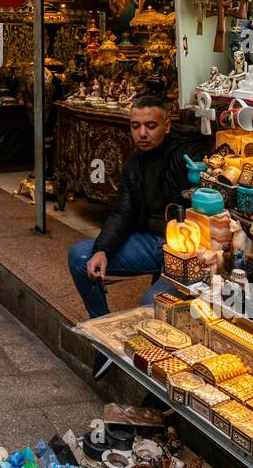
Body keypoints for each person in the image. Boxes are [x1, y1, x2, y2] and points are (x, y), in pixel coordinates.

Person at [66, 95, 211, 378]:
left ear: (166, 126)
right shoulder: (135, 162)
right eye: (135, 126)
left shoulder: (187, 154)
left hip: (184, 249)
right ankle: (104, 336)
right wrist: (103, 249)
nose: (142, 133)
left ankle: (154, 370)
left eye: (150, 125)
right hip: (149, 242)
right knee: (81, 256)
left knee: (150, 304)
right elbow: (123, 211)